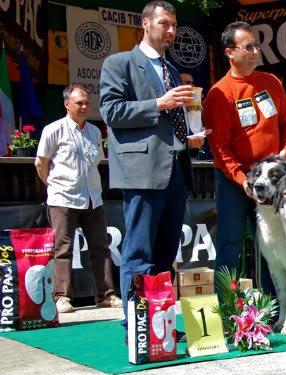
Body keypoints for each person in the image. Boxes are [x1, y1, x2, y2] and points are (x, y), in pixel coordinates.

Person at [99, 0, 204, 343]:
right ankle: (135, 323)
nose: (170, 30)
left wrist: (190, 139)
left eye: (174, 24)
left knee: (165, 253)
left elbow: (170, 122)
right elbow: (111, 111)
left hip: (176, 169)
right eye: (164, 23)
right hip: (141, 171)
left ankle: (159, 321)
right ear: (145, 24)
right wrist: (158, 104)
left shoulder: (171, 70)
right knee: (138, 251)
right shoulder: (120, 63)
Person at [202, 21, 286, 294]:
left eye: (257, 45)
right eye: (249, 46)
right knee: (229, 247)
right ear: (230, 53)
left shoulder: (271, 82)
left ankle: (275, 310)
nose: (256, 51)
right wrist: (242, 179)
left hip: (272, 181)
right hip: (235, 183)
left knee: (272, 245)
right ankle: (228, 313)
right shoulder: (219, 94)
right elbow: (218, 148)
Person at [34, 85, 122, 313]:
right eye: (78, 103)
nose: (84, 106)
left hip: (93, 198)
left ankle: (105, 295)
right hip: (63, 197)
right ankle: (61, 297)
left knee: (101, 248)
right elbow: (41, 163)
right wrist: (53, 186)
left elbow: (97, 163)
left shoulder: (94, 131)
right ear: (66, 104)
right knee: (62, 249)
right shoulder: (53, 130)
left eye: (86, 103)